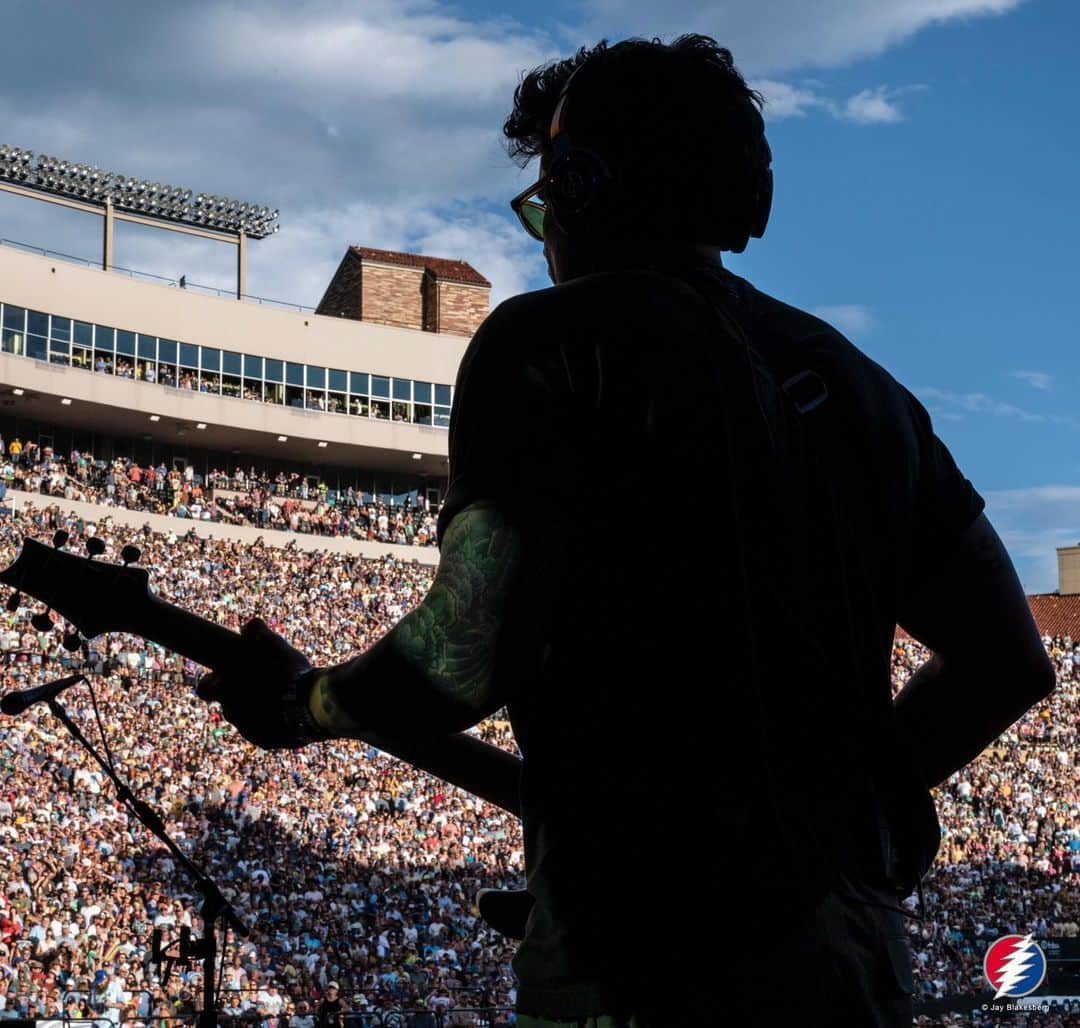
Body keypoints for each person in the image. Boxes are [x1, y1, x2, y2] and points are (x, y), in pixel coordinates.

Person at [196, 34, 1056, 1027]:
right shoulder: (869, 394)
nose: (545, 231)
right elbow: (1008, 660)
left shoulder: (549, 341)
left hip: (642, 968)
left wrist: (303, 703)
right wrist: (830, 820)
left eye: (544, 201)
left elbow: (470, 651)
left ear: (582, 181)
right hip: (854, 965)